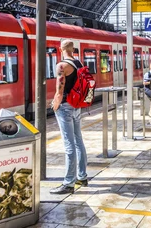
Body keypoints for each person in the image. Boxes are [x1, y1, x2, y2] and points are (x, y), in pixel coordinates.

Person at [50, 40, 88, 195]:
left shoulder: (62, 66)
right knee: (79, 141)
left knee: (69, 145)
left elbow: (60, 90)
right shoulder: (79, 63)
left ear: (60, 49)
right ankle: (82, 176)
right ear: (73, 49)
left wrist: (55, 103)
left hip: (65, 107)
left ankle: (68, 183)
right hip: (77, 106)